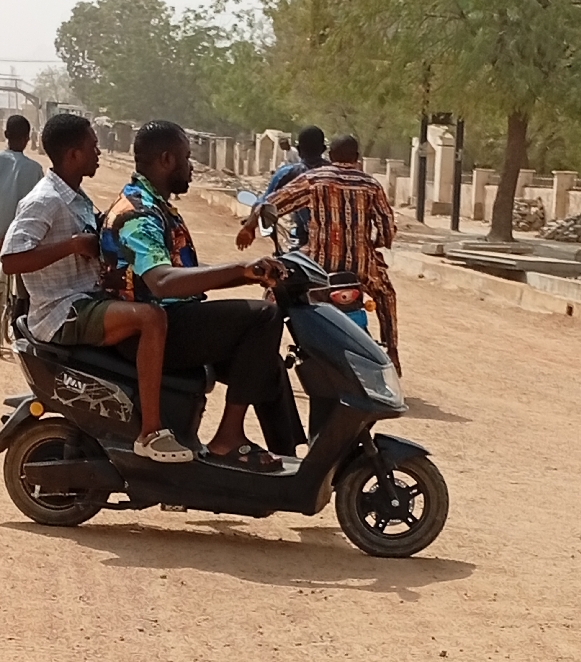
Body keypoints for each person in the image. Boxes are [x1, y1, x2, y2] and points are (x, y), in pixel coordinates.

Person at [100, 119, 304, 472]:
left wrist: (246, 274)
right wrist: (239, 268)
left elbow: (182, 273)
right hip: (151, 332)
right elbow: (163, 282)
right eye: (186, 157)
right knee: (264, 317)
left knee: (266, 360)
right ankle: (228, 439)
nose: (191, 165)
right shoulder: (138, 213)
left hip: (173, 319)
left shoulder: (155, 205)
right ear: (167, 159)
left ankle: (293, 461)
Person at [0, 113, 193, 464]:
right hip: (63, 310)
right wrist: (72, 245)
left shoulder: (76, 197)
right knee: (151, 319)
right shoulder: (45, 199)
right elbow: (11, 260)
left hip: (89, 300)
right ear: (73, 155)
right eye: (93, 147)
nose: (99, 152)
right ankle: (150, 433)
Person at [238, 134, 401, 376]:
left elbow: (271, 204)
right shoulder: (371, 184)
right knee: (386, 295)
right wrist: (375, 244)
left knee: (274, 292)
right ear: (357, 157)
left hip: (318, 267)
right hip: (361, 267)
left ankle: (263, 354)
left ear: (331, 155)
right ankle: (392, 352)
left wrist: (249, 227)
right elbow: (387, 228)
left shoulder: (314, 179)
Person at [0, 116, 44, 337]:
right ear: (28, 139)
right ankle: (20, 319)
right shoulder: (35, 169)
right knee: (24, 282)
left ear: (5, 135)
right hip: (18, 242)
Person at [259, 126, 329, 248]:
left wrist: (250, 223)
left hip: (307, 237)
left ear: (299, 149)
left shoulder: (291, 173)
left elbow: (266, 202)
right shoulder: (336, 174)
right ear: (323, 149)